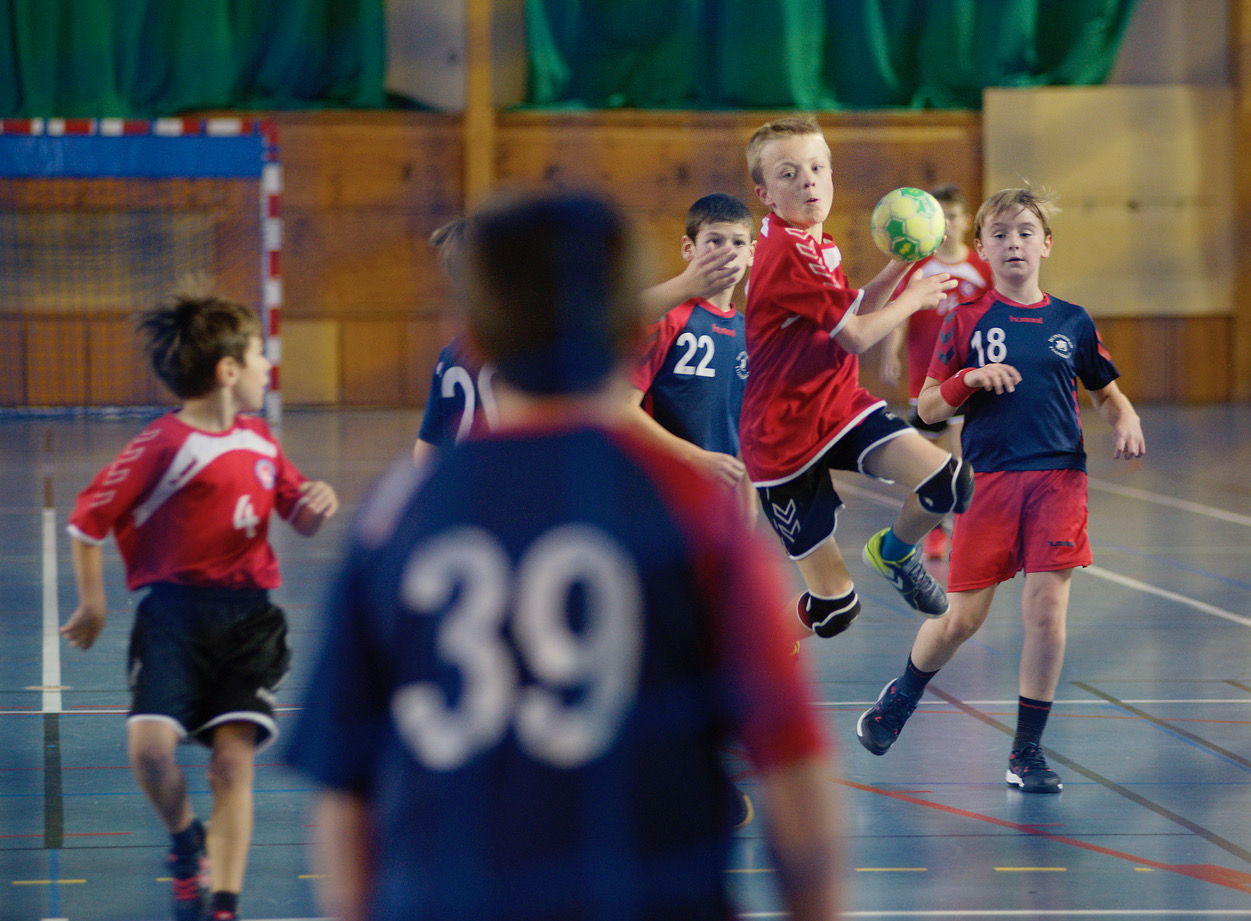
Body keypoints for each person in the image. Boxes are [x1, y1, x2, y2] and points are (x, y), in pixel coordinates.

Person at [285, 189, 841, 921]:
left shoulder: (400, 515)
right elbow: (792, 768)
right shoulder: (689, 509)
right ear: (625, 328)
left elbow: (344, 790)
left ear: (474, 332)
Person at [60, 287, 340, 921]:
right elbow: (86, 519)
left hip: (248, 622)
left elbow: (297, 516)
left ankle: (224, 906)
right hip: (173, 620)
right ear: (228, 370)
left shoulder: (262, 441)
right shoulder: (162, 445)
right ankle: (187, 842)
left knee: (231, 765)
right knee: (150, 750)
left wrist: (316, 503)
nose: (269, 365)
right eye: (260, 354)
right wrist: (94, 604)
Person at [855, 187, 1145, 793]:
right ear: (981, 249)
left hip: (1059, 479)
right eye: (1001, 234)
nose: (1014, 243)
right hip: (989, 481)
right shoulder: (964, 320)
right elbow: (927, 408)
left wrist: (1124, 417)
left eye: (1025, 232)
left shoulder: (1071, 321)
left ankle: (1026, 752)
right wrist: (968, 379)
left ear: (1046, 244)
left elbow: (1106, 391)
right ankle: (900, 696)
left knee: (1047, 612)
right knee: (961, 620)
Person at [741, 115, 968, 643]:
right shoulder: (787, 253)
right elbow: (858, 337)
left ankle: (895, 551)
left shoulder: (815, 243)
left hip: (838, 408)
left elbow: (851, 311)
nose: (808, 181)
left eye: (817, 168)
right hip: (782, 438)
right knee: (835, 607)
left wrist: (899, 267)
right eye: (789, 174)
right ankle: (755, 653)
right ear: (765, 194)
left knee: (949, 481)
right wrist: (915, 297)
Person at [414, 216, 743, 467]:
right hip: (512, 483)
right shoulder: (527, 341)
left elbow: (425, 450)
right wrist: (686, 284)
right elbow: (614, 317)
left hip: (464, 486)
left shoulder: (452, 353)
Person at [878, 184, 993, 560]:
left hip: (967, 375)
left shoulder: (981, 269)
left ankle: (963, 526)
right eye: (941, 218)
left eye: (954, 216)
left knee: (960, 452)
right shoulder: (921, 269)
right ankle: (936, 529)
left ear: (967, 222)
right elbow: (901, 314)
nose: (949, 224)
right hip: (925, 378)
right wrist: (891, 352)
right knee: (931, 459)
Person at [627, 192, 757, 522]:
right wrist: (694, 459)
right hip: (660, 497)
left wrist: (747, 515)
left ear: (752, 254)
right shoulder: (665, 318)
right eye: (714, 241)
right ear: (689, 249)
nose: (728, 252)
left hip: (716, 509)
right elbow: (623, 410)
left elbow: (744, 438)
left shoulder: (752, 334)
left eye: (738, 243)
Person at [413, 218, 497, 467]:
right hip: (503, 478)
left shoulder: (450, 353)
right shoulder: (520, 351)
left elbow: (426, 448)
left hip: (461, 480)